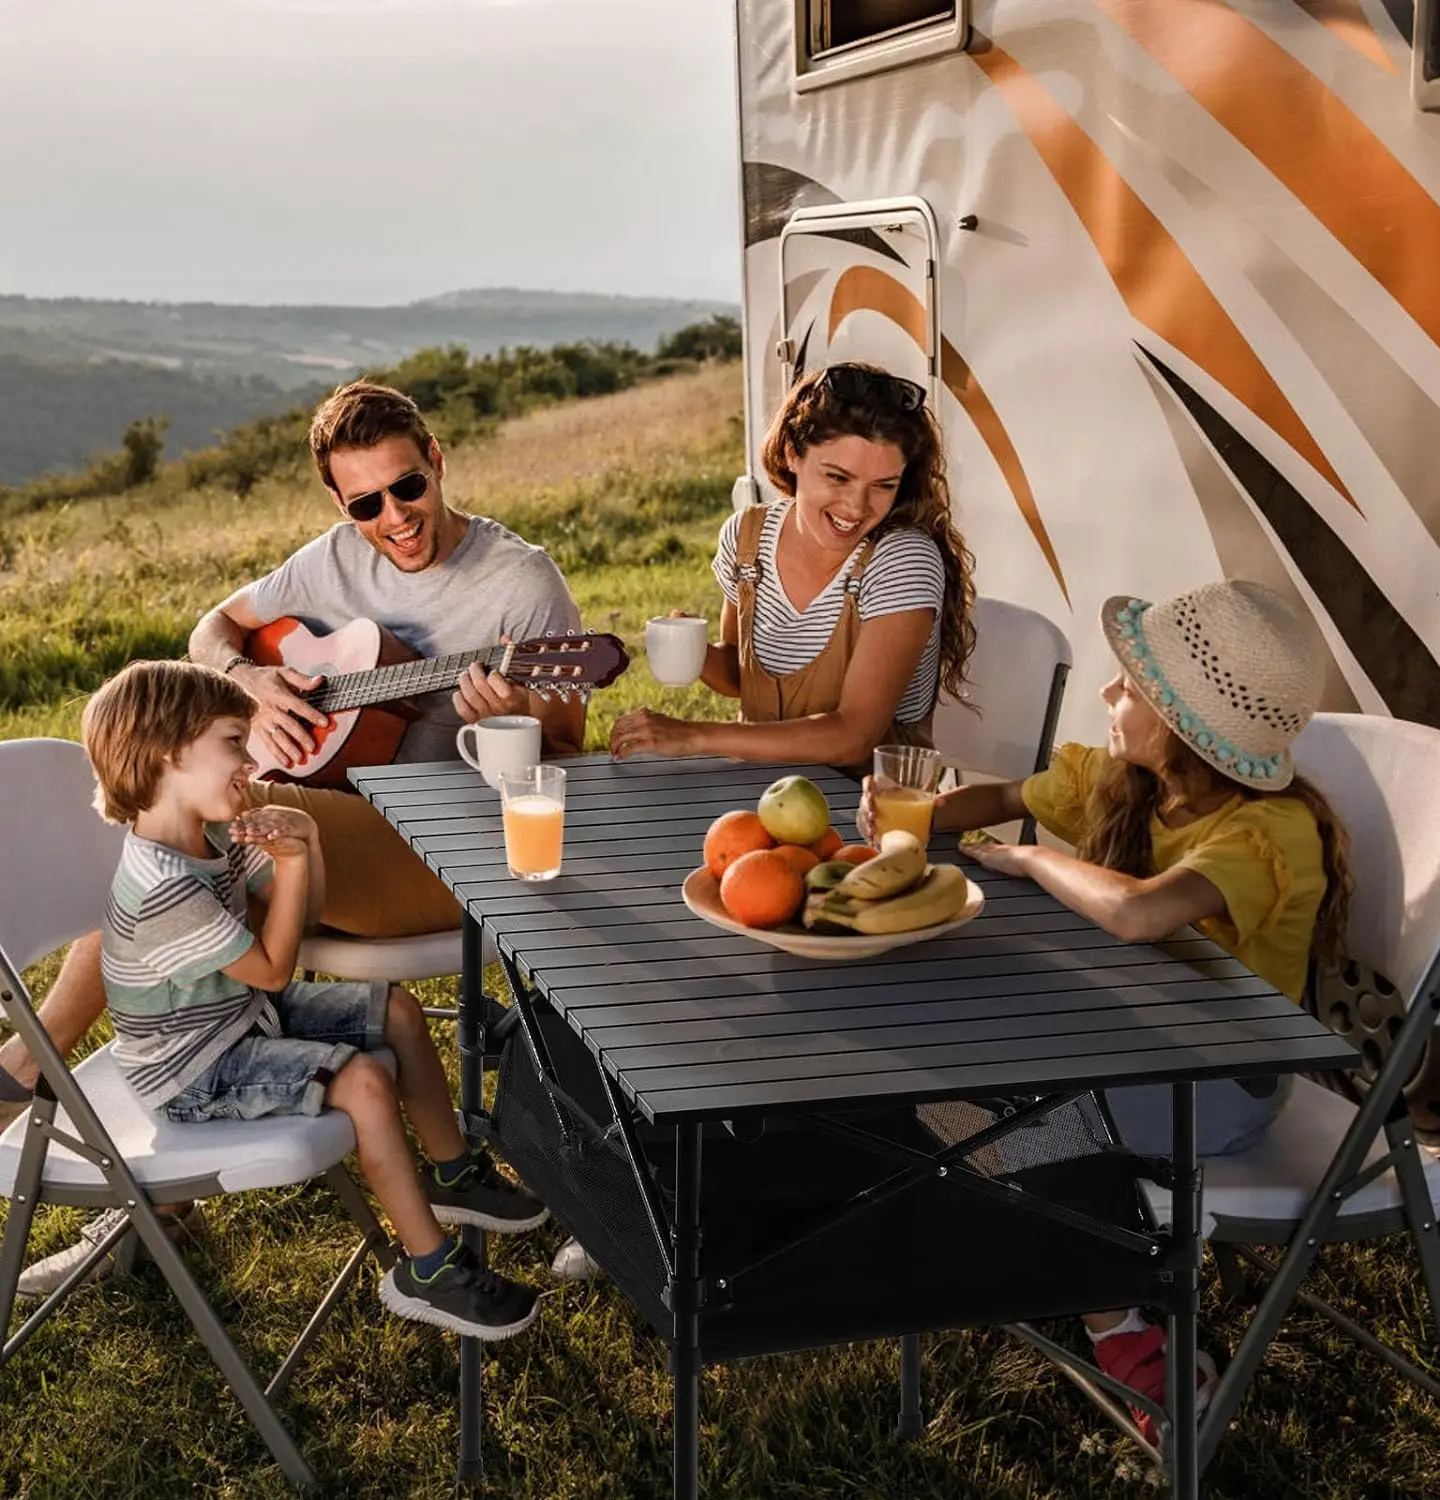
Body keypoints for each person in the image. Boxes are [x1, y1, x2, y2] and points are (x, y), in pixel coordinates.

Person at [1, 379, 584, 1290]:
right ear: (339, 503)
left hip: (447, 851)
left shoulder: (519, 580)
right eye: (366, 503)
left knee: (190, 820)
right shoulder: (331, 559)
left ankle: (31, 1067)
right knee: (184, 832)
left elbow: (569, 746)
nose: (394, 517)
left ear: (437, 461)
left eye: (407, 488)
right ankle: (151, 1208)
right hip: (334, 831)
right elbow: (214, 628)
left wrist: (517, 710)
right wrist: (252, 682)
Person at [864, 578, 1353, 1440]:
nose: (1107, 693)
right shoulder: (1125, 781)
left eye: (1129, 687)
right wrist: (927, 820)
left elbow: (1140, 911)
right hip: (1127, 1046)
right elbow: (1009, 798)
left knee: (1000, 1118)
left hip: (1222, 1084)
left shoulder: (1270, 835)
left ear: (1183, 728)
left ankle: (1119, 1320)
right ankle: (1076, 1262)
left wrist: (1030, 866)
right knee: (946, 1087)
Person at [73, 660, 544, 1336]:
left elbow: (310, 911)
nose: (249, 759)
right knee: (362, 1086)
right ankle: (427, 1269)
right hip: (193, 1072)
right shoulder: (163, 887)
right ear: (171, 753)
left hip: (240, 1021)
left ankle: (451, 1174)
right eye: (233, 742)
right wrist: (290, 865)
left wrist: (308, 842)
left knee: (399, 1012)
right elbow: (271, 967)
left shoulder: (209, 833)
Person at [609, 362, 976, 768]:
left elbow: (852, 737)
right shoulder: (746, 538)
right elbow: (739, 675)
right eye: (838, 477)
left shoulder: (902, 559)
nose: (856, 507)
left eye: (883, 486)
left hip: (867, 810)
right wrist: (693, 652)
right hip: (766, 792)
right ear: (791, 455)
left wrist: (693, 735)